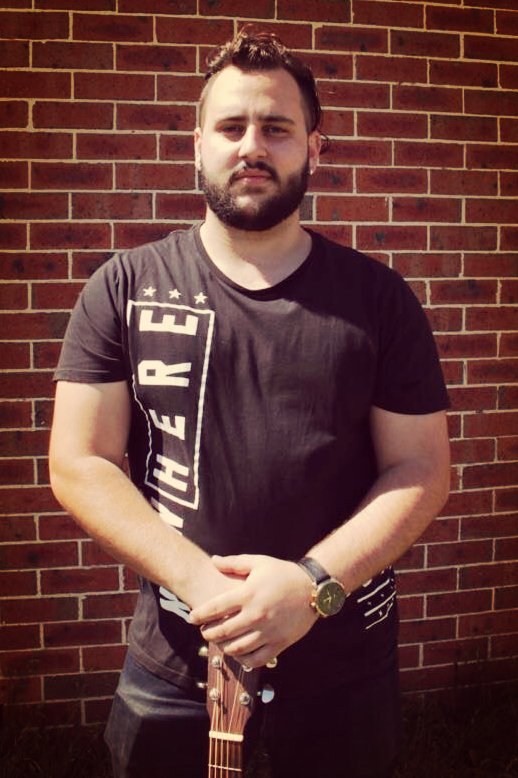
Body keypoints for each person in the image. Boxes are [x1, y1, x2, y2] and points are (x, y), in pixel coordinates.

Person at [49, 29, 450, 778]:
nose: (252, 147)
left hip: (343, 662)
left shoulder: (380, 300)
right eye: (231, 127)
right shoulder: (123, 287)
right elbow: (80, 461)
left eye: (277, 128)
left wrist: (312, 586)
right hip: (175, 660)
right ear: (197, 145)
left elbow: (420, 468)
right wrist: (202, 587)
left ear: (315, 149)